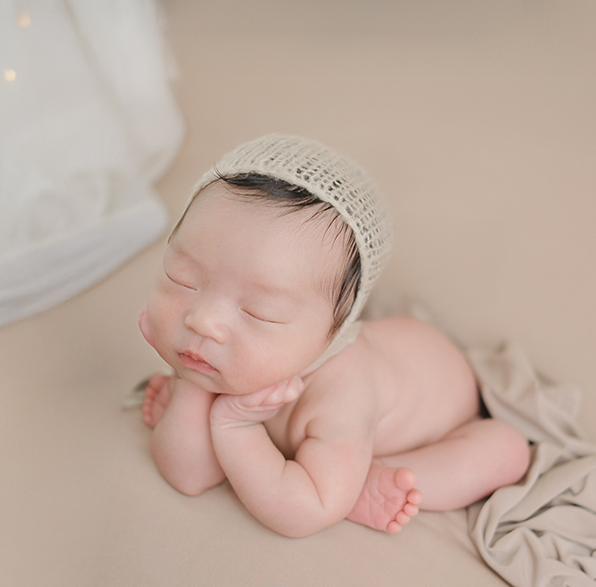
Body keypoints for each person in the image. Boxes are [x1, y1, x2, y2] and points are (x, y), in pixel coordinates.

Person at [137, 134, 530, 538]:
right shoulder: (230, 352)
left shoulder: (340, 395)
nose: (203, 321)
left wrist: (236, 427)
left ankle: (369, 479)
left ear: (334, 333)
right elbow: (189, 476)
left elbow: (304, 513)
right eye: (182, 278)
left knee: (507, 450)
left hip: (449, 411)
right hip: (396, 346)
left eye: (259, 311)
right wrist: (189, 382)